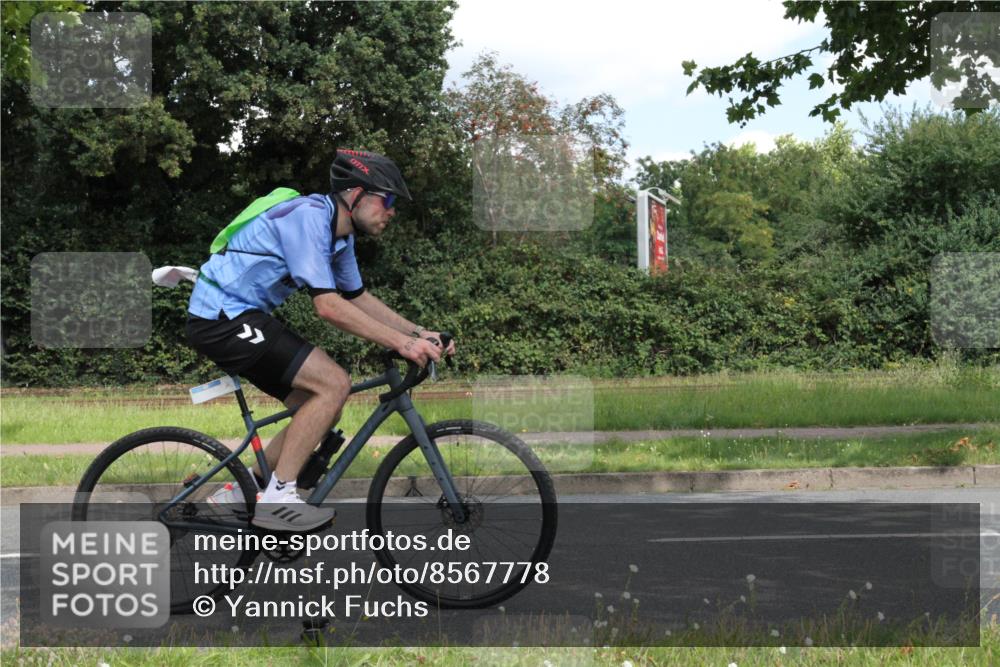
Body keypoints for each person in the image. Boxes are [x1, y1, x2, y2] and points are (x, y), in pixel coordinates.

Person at [185, 149, 454, 531]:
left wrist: (417, 332)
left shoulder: (340, 239)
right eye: (388, 199)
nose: (392, 211)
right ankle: (279, 499)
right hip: (221, 316)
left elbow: (357, 297)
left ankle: (240, 494)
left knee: (322, 408)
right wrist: (403, 345)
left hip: (242, 317)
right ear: (356, 194)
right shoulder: (309, 217)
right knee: (334, 383)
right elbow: (327, 306)